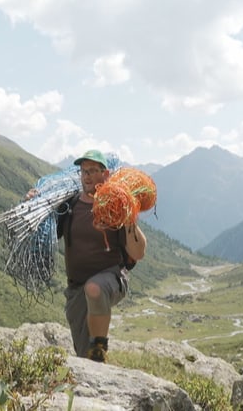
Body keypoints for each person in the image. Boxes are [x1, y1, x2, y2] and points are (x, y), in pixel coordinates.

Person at [29, 149, 147, 362]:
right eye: (84, 171)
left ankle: (99, 350)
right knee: (84, 356)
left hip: (112, 278)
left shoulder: (115, 207)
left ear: (106, 174)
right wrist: (34, 203)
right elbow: (44, 233)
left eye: (93, 170)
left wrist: (130, 218)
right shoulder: (69, 206)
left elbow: (138, 253)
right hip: (76, 288)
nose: (87, 175)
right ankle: (94, 360)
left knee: (94, 289)